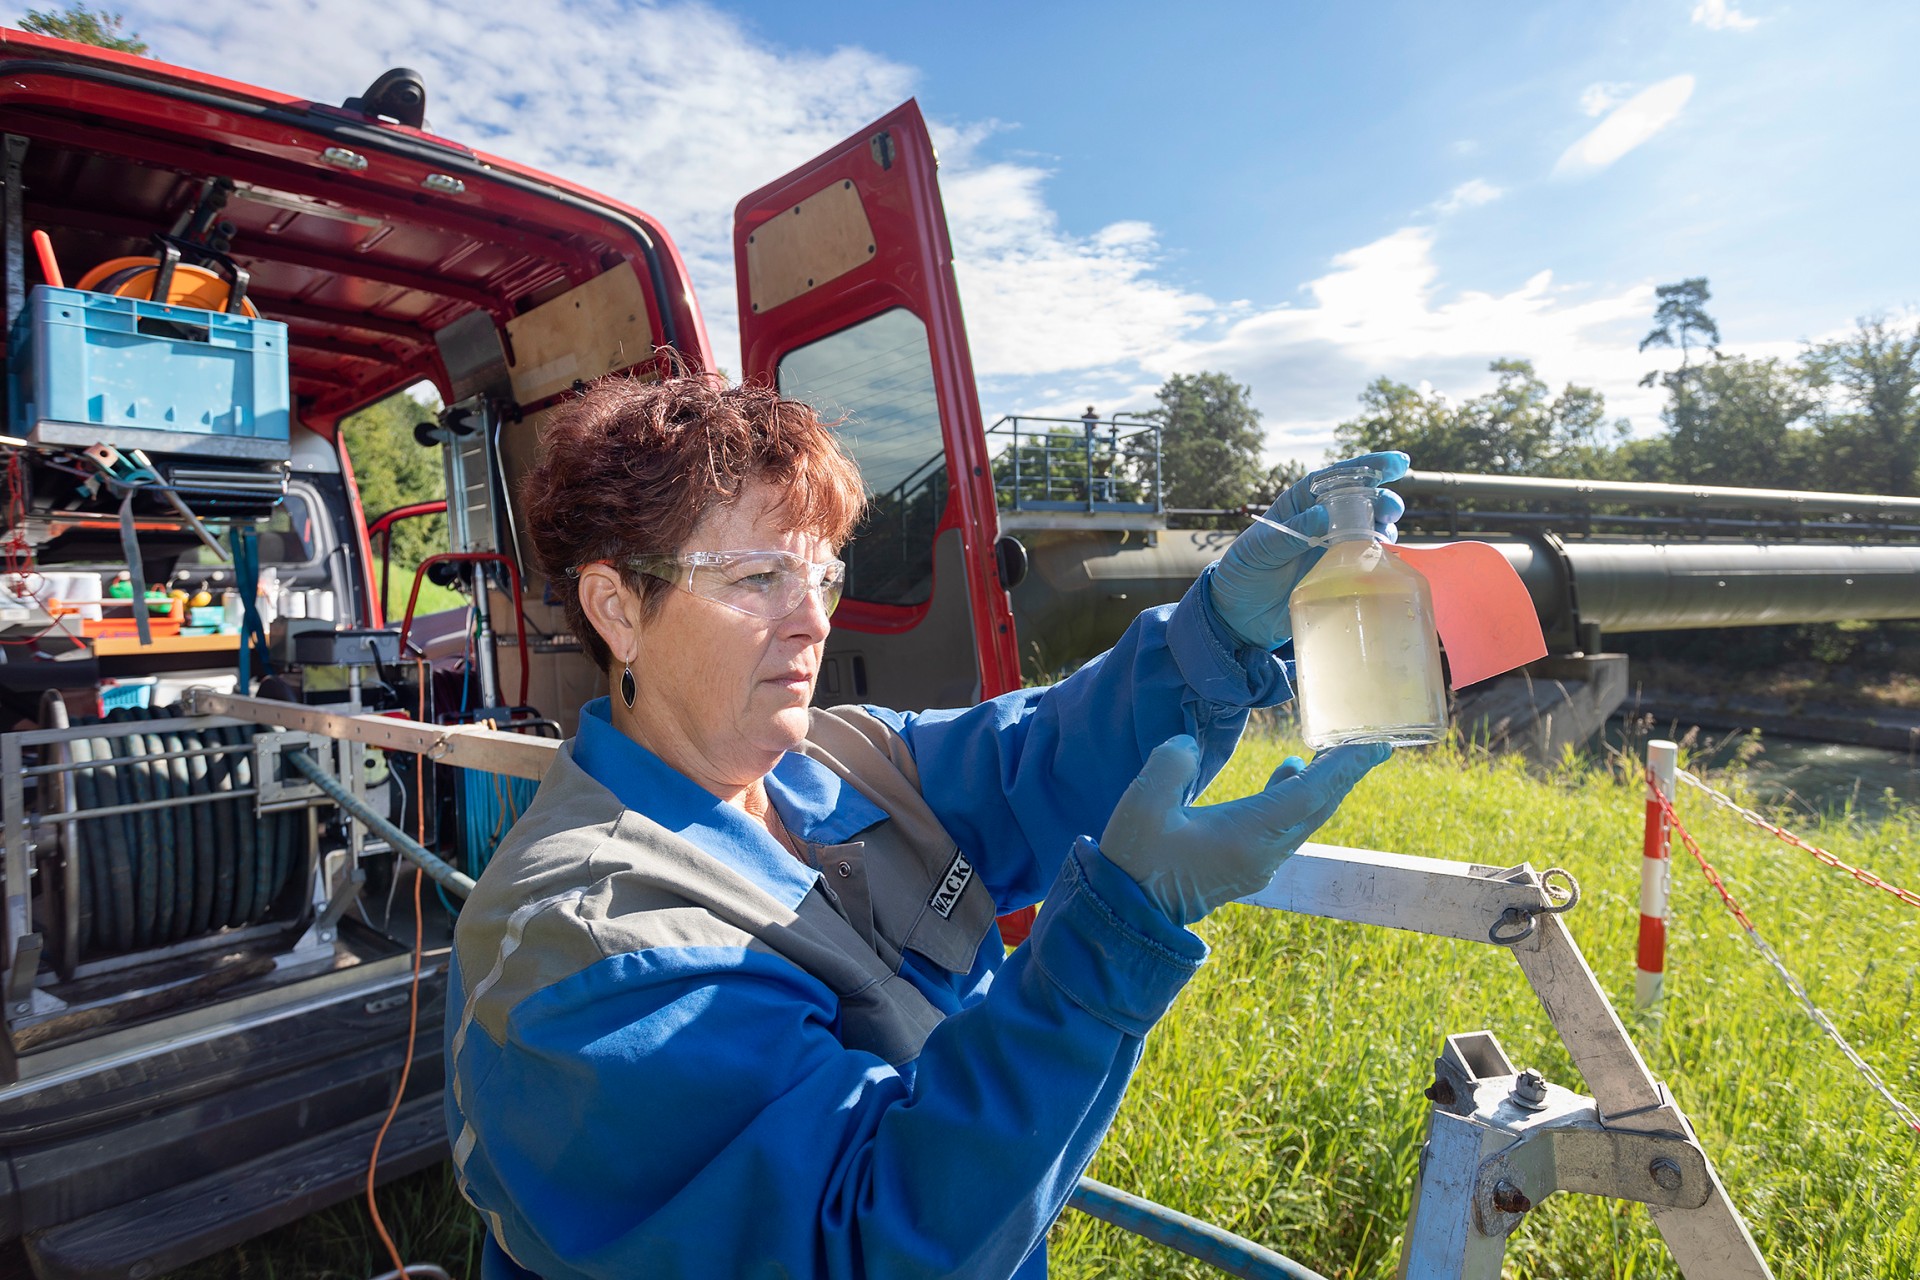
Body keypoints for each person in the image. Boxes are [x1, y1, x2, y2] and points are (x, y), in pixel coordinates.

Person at [444, 373, 1405, 1279]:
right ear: (618, 608)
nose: (812, 620)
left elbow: (1037, 756)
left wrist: (1218, 633)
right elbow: (866, 1234)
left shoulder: (837, 762)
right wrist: (1115, 939)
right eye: (756, 578)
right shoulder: (583, 948)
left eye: (821, 577)